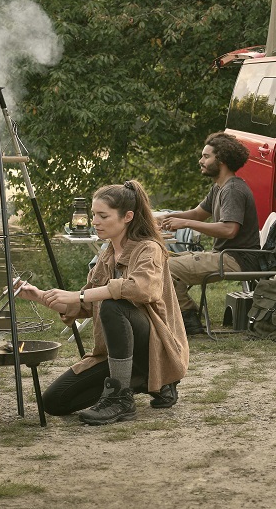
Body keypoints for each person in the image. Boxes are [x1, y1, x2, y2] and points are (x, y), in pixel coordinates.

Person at [13, 180, 187, 425]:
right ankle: (139, 380)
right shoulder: (106, 256)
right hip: (117, 352)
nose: (95, 221)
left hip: (155, 346)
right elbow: (84, 306)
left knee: (114, 305)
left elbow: (140, 289)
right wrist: (40, 296)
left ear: (127, 217)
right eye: (94, 214)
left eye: (103, 215)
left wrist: (78, 295)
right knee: (54, 402)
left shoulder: (149, 249)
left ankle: (122, 398)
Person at [157, 132, 261, 335]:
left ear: (221, 160)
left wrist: (185, 223)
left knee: (164, 267)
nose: (201, 161)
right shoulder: (219, 187)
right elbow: (197, 213)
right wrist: (161, 218)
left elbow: (229, 230)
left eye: (206, 156)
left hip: (237, 259)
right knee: (157, 261)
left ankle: (189, 320)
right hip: (225, 256)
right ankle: (185, 318)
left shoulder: (233, 190)